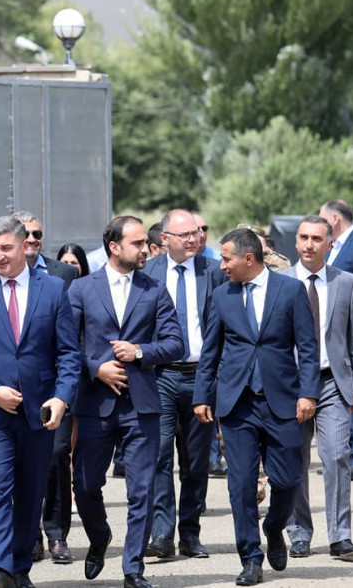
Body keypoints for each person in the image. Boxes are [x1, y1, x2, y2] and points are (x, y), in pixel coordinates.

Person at [0, 215, 82, 588]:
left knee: (29, 492)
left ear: (25, 246)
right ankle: (0, 568)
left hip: (38, 411)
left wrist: (62, 397)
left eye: (5, 248)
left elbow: (68, 353)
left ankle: (20, 568)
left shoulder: (53, 289)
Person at [192, 228, 320, 586]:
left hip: (283, 402)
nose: (222, 265)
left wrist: (308, 394)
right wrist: (202, 396)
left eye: (227, 258)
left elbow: (308, 348)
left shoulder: (290, 290)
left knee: (288, 480)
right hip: (237, 404)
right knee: (241, 486)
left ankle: (274, 527)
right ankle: (250, 557)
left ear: (248, 258)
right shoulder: (222, 295)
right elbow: (210, 351)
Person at [69, 215, 184, 588]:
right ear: (114, 246)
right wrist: (96, 369)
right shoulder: (82, 289)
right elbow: (66, 345)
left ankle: (133, 569)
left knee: (142, 491)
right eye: (137, 243)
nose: (146, 249)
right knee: (85, 484)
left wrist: (140, 351)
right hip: (94, 404)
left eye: (146, 243)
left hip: (141, 405)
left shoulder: (155, 290)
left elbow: (175, 343)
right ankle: (99, 535)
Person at [140, 210, 224, 560]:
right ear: (164, 239)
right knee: (159, 455)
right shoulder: (147, 274)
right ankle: (162, 533)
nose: (194, 239)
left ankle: (190, 533)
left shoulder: (214, 271)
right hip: (160, 375)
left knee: (196, 459)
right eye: (185, 234)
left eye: (196, 233)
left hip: (201, 376)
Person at [284, 215, 353, 560]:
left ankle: (340, 535)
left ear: (330, 244)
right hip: (291, 384)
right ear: (296, 241)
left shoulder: (345, 281)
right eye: (304, 237)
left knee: (336, 456)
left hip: (333, 380)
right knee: (294, 459)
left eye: (317, 239)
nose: (309, 245)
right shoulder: (281, 282)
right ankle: (299, 532)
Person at [12, 211, 77, 564]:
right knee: (20, 462)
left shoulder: (63, 275)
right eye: (26, 233)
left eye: (37, 234)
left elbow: (72, 334)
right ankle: (29, 534)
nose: (32, 239)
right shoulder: (1, 272)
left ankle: (57, 534)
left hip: (54, 386)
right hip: (15, 388)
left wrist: (68, 387)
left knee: (56, 456)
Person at [319, 199, 353, 481]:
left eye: (322, 218)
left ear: (334, 219)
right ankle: (342, 455)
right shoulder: (335, 248)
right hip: (334, 336)